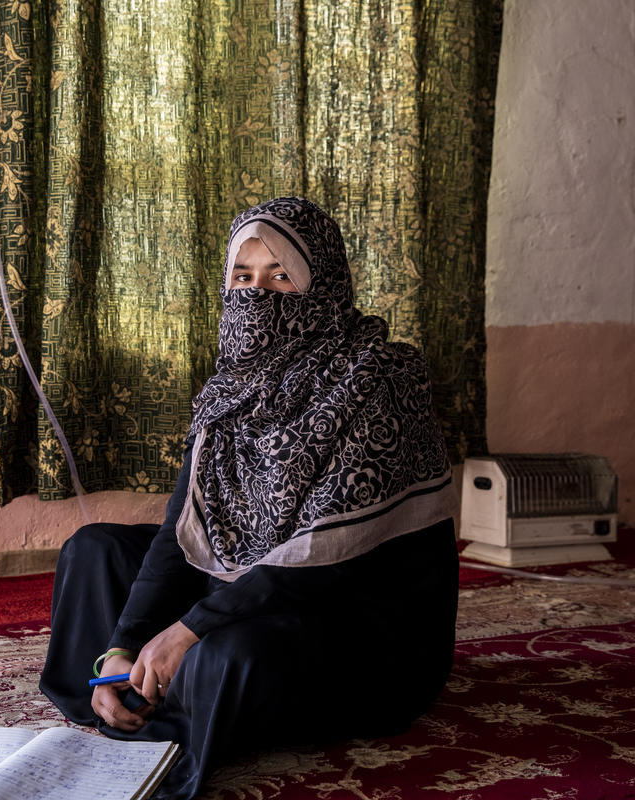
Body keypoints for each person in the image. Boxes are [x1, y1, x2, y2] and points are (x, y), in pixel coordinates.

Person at [40, 197, 458, 799]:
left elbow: (324, 562)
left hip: (354, 623)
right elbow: (181, 531)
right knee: (94, 551)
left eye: (281, 276)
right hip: (248, 586)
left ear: (322, 286)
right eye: (243, 276)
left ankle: (177, 692)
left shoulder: (377, 380)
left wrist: (187, 629)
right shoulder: (230, 388)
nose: (257, 295)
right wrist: (122, 642)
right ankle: (121, 685)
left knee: (226, 654)